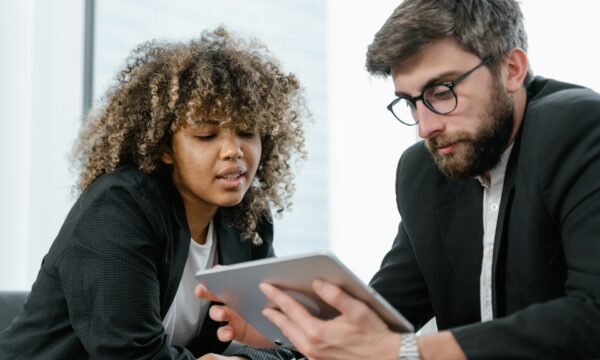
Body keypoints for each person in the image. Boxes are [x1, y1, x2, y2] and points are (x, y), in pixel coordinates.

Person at [196, 1, 600, 359]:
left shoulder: (579, 127)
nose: (424, 128)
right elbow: (386, 315)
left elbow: (591, 316)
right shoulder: (423, 171)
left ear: (512, 69)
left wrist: (406, 352)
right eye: (410, 102)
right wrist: (288, 335)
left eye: (442, 92)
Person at [0, 27, 309, 359]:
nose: (234, 150)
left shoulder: (247, 220)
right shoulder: (118, 209)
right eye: (207, 135)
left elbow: (293, 344)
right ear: (165, 147)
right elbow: (127, 355)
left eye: (248, 132)